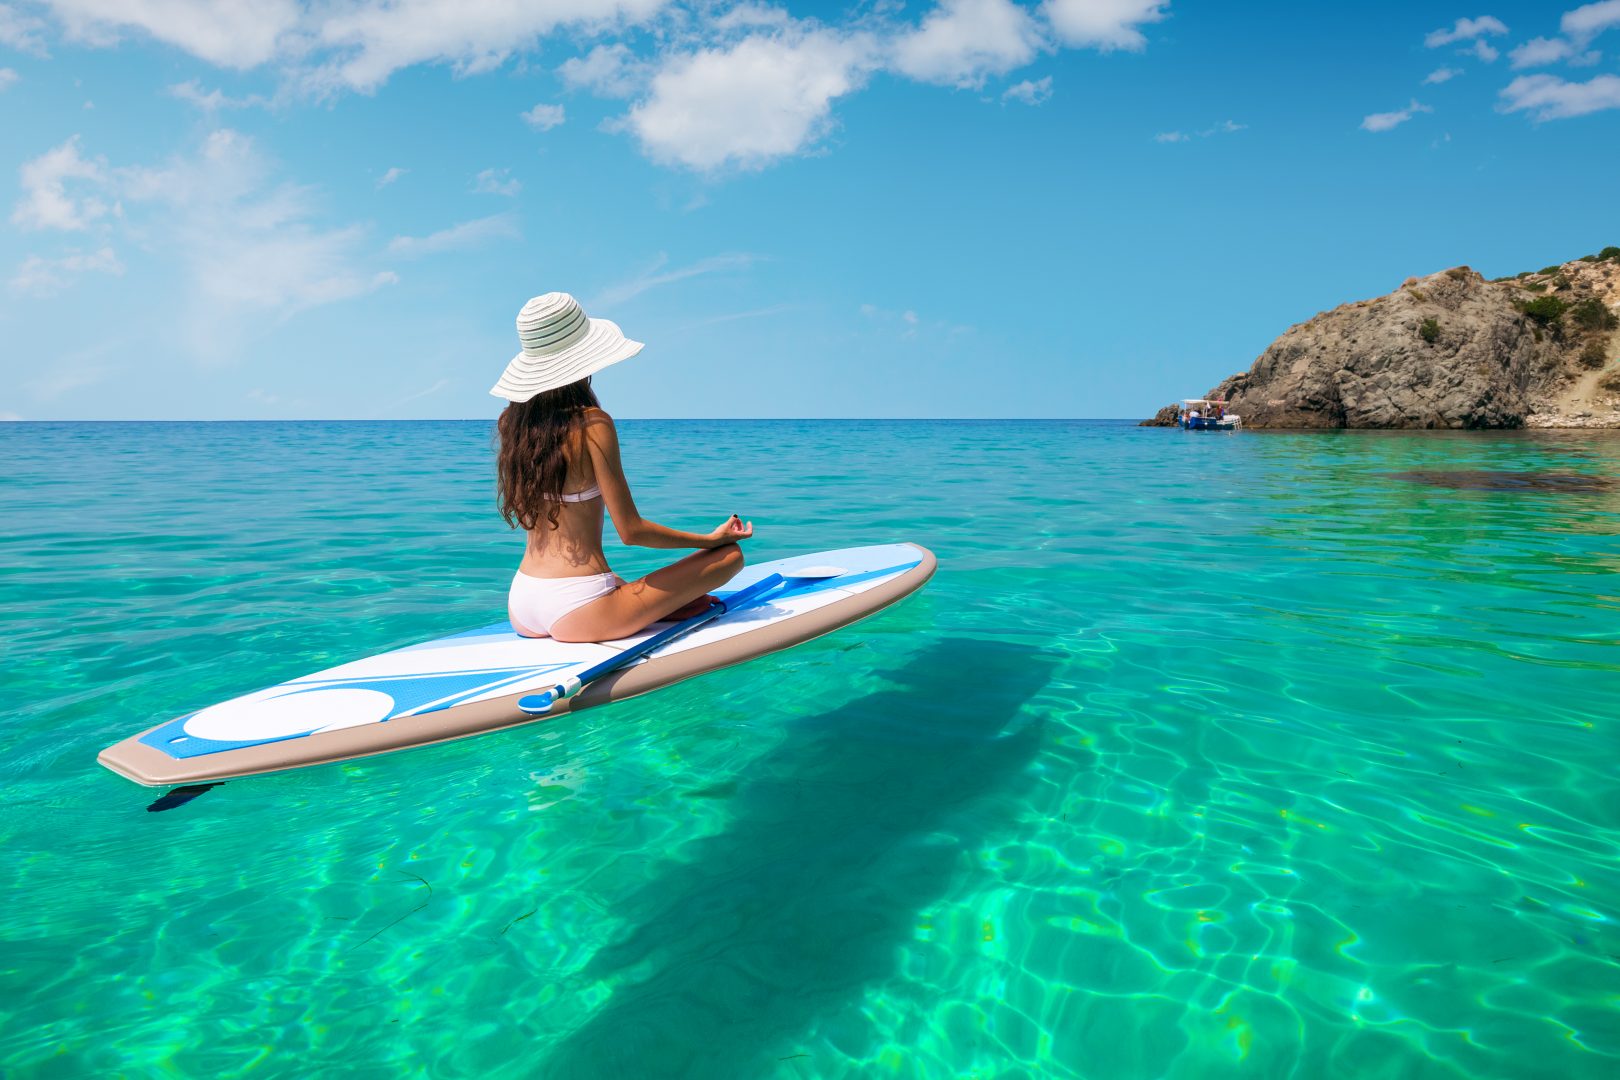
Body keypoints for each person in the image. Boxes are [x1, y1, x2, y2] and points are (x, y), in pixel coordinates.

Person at [491, 292, 752, 643]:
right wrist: (710, 541)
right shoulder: (592, 424)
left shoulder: (513, 425)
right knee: (729, 558)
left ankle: (656, 604)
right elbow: (632, 531)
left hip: (522, 601)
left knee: (620, 583)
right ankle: (661, 601)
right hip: (579, 607)